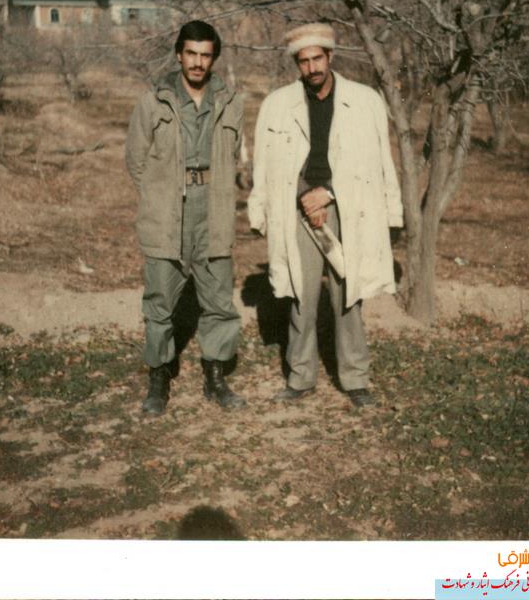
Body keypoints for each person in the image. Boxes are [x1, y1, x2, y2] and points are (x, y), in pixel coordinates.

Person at [248, 23, 403, 408]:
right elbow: (268, 165)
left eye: (318, 58)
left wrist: (331, 194)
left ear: (330, 57)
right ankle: (300, 376)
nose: (312, 68)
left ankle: (355, 378)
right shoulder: (278, 104)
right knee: (302, 293)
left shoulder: (364, 100)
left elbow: (375, 162)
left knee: (346, 293)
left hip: (347, 207)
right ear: (296, 64)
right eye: (304, 61)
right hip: (298, 207)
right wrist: (300, 198)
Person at [126, 20, 246, 415]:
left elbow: (232, 154)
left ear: (214, 59)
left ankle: (215, 377)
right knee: (160, 301)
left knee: (218, 300)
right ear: (179, 54)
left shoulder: (231, 102)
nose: (197, 62)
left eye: (205, 55)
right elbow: (136, 161)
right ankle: (159, 378)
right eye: (191, 53)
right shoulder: (153, 101)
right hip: (168, 211)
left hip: (214, 208)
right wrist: (160, 196)